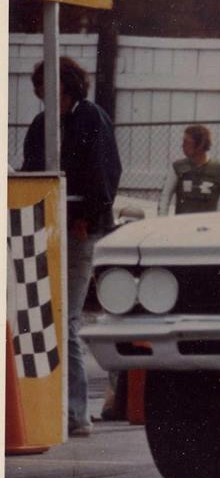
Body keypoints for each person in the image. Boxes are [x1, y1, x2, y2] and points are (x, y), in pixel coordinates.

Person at [21, 57, 123, 437]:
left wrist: (89, 216)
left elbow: (105, 171)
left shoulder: (90, 118)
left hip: (81, 229)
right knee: (48, 318)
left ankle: (76, 413)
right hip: (49, 226)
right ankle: (55, 408)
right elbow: (32, 169)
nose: (45, 96)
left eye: (49, 88)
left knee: (66, 319)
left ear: (65, 87)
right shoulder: (43, 123)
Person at [157, 125, 220, 215]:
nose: (182, 146)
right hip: (182, 224)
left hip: (208, 225)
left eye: (186, 143)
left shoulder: (219, 169)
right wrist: (162, 221)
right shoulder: (177, 167)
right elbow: (165, 196)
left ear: (200, 145)